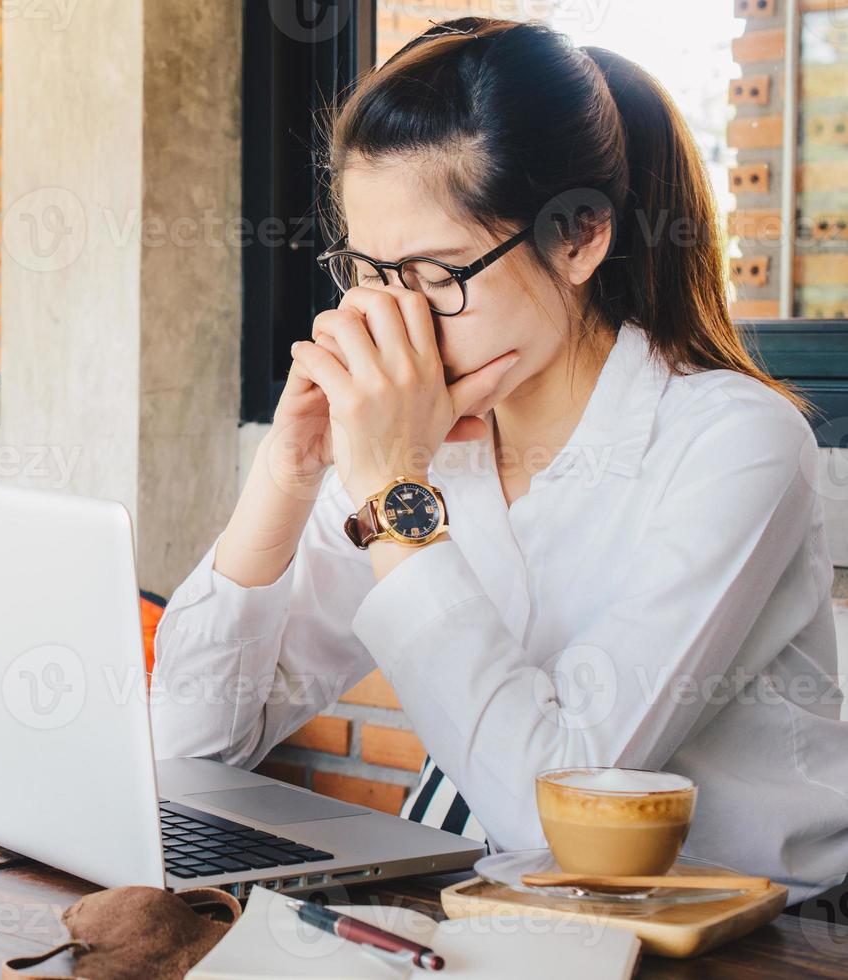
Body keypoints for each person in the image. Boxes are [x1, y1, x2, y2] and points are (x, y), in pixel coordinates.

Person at [148, 17, 848, 906]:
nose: (398, 325)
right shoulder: (417, 437)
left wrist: (395, 491)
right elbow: (187, 747)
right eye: (371, 270)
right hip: (504, 918)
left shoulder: (735, 444)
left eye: (439, 277)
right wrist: (286, 475)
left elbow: (553, 816)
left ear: (580, 237)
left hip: (757, 937)